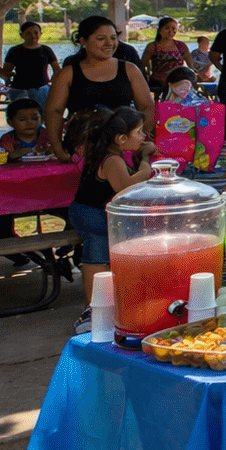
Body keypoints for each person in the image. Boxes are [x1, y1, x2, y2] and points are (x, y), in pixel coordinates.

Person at [69, 106, 154, 333]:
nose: (143, 137)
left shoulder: (104, 151)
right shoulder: (112, 160)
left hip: (85, 210)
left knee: (102, 252)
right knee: (96, 253)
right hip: (92, 216)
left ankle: (104, 305)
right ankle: (92, 310)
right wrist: (146, 161)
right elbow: (125, 188)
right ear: (121, 138)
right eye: (139, 133)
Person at [45, 16, 154, 160]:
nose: (110, 43)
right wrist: (58, 149)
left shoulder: (130, 70)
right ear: (83, 41)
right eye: (101, 38)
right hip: (81, 149)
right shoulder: (67, 73)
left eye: (113, 38)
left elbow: (147, 107)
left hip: (123, 149)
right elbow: (54, 112)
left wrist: (137, 137)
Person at [0, 98, 54, 266]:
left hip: (44, 186)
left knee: (66, 208)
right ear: (10, 121)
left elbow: (55, 150)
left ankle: (63, 249)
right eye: (22, 119)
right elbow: (2, 157)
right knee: (1, 212)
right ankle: (11, 246)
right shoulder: (8, 139)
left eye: (35, 118)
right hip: (13, 189)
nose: (30, 123)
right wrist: (12, 154)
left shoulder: (47, 134)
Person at [0, 19, 59, 107]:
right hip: (19, 89)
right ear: (21, 35)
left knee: (41, 116)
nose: (33, 36)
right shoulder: (15, 51)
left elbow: (57, 70)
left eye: (36, 32)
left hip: (41, 89)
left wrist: (52, 83)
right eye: (28, 33)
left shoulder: (46, 50)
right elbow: (6, 72)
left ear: (40, 34)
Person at [140, 16, 190, 93]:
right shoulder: (152, 47)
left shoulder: (181, 46)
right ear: (160, 30)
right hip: (158, 81)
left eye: (173, 29)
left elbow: (191, 65)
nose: (171, 31)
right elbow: (143, 66)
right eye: (167, 28)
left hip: (178, 80)